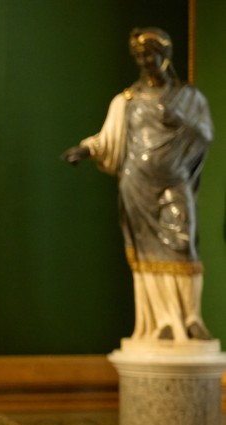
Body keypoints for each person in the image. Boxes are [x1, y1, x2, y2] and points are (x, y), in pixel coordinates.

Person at [62, 27, 214, 342]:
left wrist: (182, 121)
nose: (145, 61)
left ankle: (190, 318)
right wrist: (85, 150)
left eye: (150, 55)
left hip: (173, 179)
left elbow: (204, 134)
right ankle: (163, 323)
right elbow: (108, 138)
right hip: (137, 184)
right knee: (146, 252)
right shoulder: (127, 100)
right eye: (139, 56)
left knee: (183, 243)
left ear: (165, 55)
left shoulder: (189, 98)